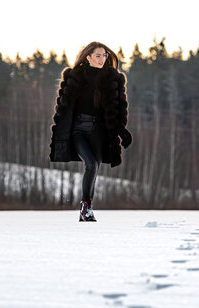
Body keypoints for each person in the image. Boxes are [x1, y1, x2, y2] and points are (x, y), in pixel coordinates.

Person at [49, 42, 132, 221]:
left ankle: (86, 208)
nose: (102, 59)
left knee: (95, 167)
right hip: (78, 130)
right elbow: (62, 107)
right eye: (98, 56)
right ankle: (85, 206)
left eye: (105, 56)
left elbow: (119, 109)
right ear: (88, 57)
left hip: (99, 132)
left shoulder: (114, 79)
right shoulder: (74, 77)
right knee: (91, 164)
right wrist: (59, 132)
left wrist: (121, 130)